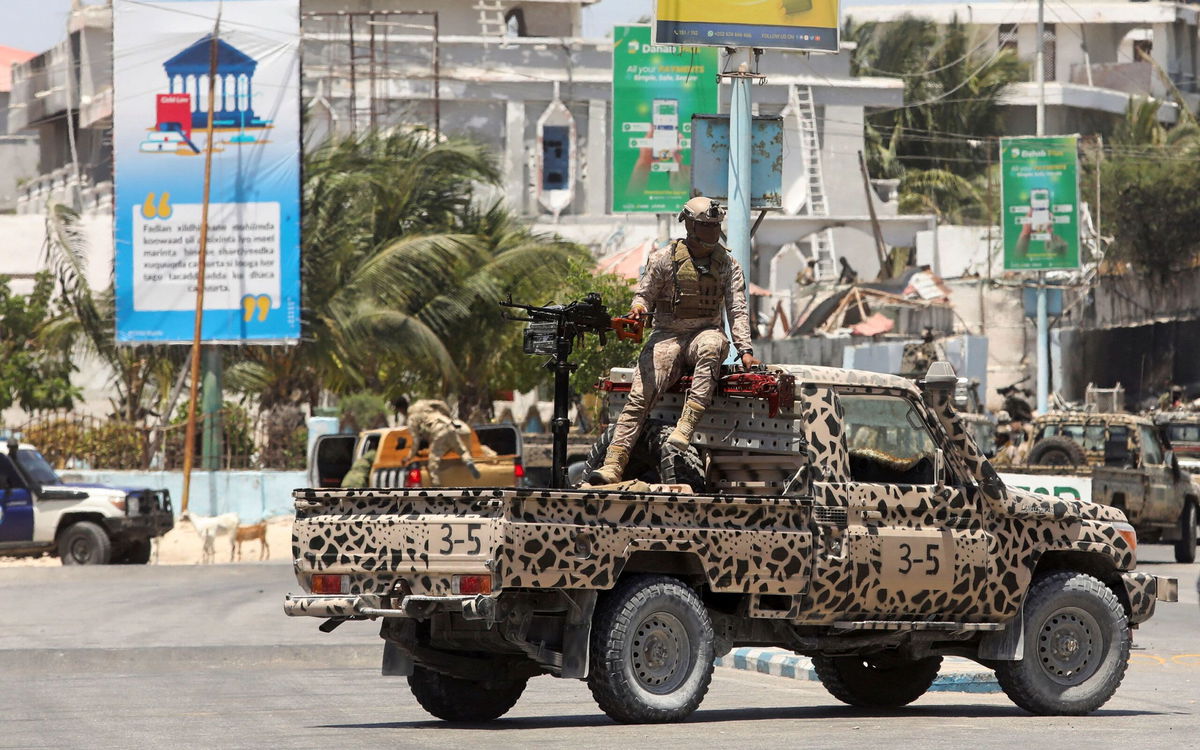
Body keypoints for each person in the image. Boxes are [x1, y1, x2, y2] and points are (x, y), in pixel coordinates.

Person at [588, 196, 760, 485]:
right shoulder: (664, 259)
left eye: (714, 227)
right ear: (690, 226)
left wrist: (745, 349)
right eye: (704, 227)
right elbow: (644, 295)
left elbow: (738, 309)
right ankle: (614, 464)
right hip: (667, 335)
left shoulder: (728, 264)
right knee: (640, 397)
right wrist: (639, 309)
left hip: (703, 332)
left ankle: (686, 426)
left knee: (714, 345)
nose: (709, 235)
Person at [407, 399, 480, 486]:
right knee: (461, 450)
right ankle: (468, 461)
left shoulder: (412, 419)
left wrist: (409, 457)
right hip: (449, 425)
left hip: (437, 431)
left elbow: (415, 440)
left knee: (433, 463)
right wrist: (448, 416)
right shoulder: (424, 404)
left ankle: (436, 486)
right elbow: (441, 403)